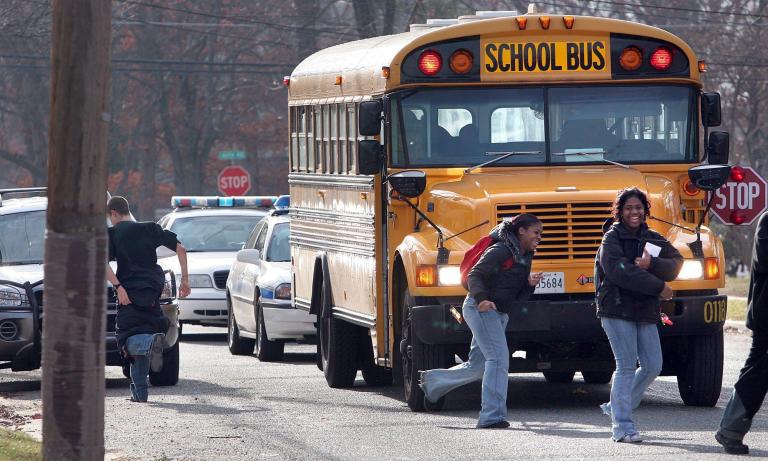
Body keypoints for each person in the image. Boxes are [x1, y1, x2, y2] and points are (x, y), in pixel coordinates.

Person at [419, 214, 544, 429]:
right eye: (536, 232)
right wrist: (482, 299)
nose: (539, 237)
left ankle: (432, 383)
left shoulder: (524, 254)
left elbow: (515, 295)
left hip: (498, 313)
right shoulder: (501, 250)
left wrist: (529, 284)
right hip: (481, 309)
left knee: (477, 366)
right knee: (498, 360)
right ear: (521, 231)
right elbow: (474, 275)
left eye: (541, 234)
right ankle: (491, 416)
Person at [595, 187, 682, 442]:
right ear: (620, 211)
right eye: (628, 208)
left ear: (645, 210)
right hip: (616, 309)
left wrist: (651, 263)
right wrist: (659, 286)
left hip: (644, 310)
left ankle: (615, 407)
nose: (634, 212)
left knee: (653, 365)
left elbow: (676, 263)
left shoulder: (653, 237)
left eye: (638, 207)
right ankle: (622, 427)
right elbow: (620, 271)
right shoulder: (611, 239)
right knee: (625, 366)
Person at [106, 196, 191, 402]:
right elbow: (181, 249)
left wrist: (118, 287)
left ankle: (150, 342)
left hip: (129, 293)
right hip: (153, 290)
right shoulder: (150, 228)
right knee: (142, 340)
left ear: (114, 213)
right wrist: (185, 281)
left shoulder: (114, 233)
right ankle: (140, 392)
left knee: (126, 339)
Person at [715, 211, 768, 455]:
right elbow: (764, 261)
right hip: (766, 315)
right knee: (757, 374)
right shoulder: (767, 221)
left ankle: (731, 429)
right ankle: (731, 429)